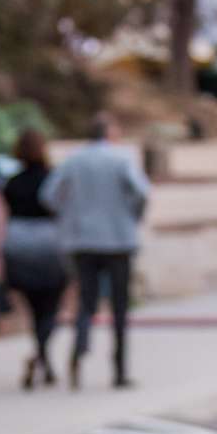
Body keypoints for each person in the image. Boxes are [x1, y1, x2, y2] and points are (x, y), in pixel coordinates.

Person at [42, 115, 152, 390]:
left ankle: (78, 351)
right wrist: (131, 216)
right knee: (119, 305)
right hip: (118, 240)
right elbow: (141, 192)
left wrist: (69, 216)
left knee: (86, 301)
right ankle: (119, 370)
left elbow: (48, 195)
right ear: (108, 132)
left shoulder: (73, 160)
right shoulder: (121, 159)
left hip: (82, 241)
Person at [0, 128, 67, 390]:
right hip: (49, 245)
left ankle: (42, 357)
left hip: (18, 244)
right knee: (51, 306)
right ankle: (42, 354)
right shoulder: (53, 179)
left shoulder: (7, 182)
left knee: (34, 308)